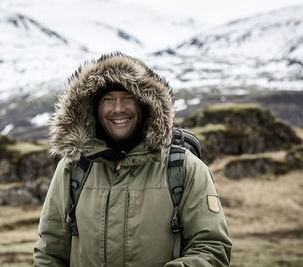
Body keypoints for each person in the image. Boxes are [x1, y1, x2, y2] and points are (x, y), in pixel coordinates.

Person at [34, 52, 232, 266]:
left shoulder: (184, 167)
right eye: (108, 99)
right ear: (93, 107)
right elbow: (50, 251)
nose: (118, 109)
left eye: (128, 98)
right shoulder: (73, 167)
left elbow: (212, 247)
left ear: (146, 104)